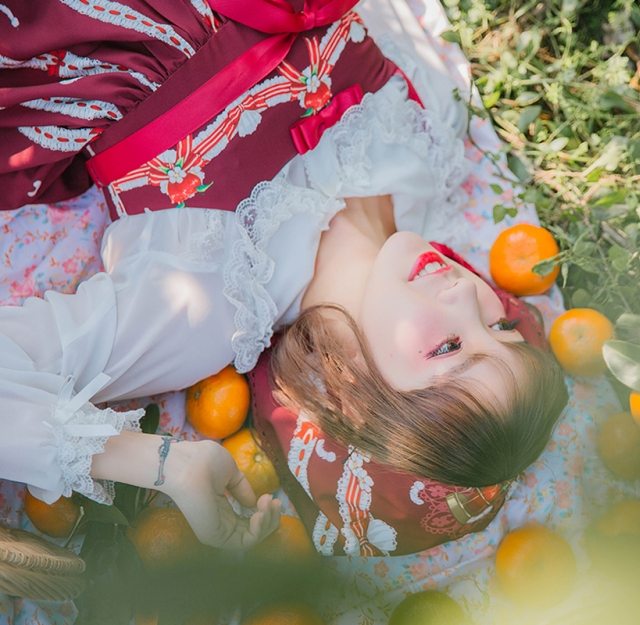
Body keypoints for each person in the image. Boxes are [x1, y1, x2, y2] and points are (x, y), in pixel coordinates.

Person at [0, 0, 568, 553]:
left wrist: (164, 464)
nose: (466, 295)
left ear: (354, 401)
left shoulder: (208, 305)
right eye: (500, 325)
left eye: (449, 346)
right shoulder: (428, 150)